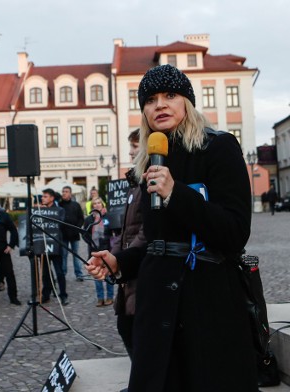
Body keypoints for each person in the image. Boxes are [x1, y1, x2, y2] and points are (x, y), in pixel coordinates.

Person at [86, 64, 257, 391]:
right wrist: (119, 261)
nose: (160, 104)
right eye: (150, 100)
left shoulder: (219, 148)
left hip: (208, 303)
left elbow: (235, 233)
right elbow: (158, 242)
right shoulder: (151, 160)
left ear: (187, 102)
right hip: (157, 305)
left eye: (170, 95)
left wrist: (175, 193)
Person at [111, 128, 147, 361]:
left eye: (135, 146)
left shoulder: (148, 184)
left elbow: (146, 233)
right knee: (126, 325)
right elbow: (126, 231)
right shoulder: (134, 185)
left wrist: (120, 260)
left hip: (141, 268)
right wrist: (111, 256)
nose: (131, 152)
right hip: (128, 270)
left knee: (134, 327)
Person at [38, 189, 69, 306]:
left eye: (45, 196)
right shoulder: (40, 210)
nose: (42, 198)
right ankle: (46, 294)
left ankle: (63, 295)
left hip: (56, 245)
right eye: (42, 196)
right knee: (45, 272)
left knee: (59, 272)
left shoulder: (60, 210)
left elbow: (60, 223)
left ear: (52, 198)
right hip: (43, 245)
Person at [85, 197, 114, 307]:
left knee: (108, 275)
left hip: (107, 250)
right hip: (94, 252)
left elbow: (113, 233)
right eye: (94, 204)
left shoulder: (108, 217)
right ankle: (100, 298)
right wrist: (91, 242)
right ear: (92, 206)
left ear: (102, 205)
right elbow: (85, 234)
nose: (97, 205)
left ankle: (110, 297)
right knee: (97, 276)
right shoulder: (89, 219)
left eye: (99, 203)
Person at [59, 186, 85, 281]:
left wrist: (77, 228)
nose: (64, 193)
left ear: (70, 193)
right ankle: (63, 274)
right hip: (63, 235)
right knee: (64, 256)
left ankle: (79, 274)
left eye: (66, 191)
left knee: (76, 255)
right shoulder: (59, 205)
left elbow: (81, 218)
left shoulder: (76, 205)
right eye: (63, 191)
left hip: (74, 235)